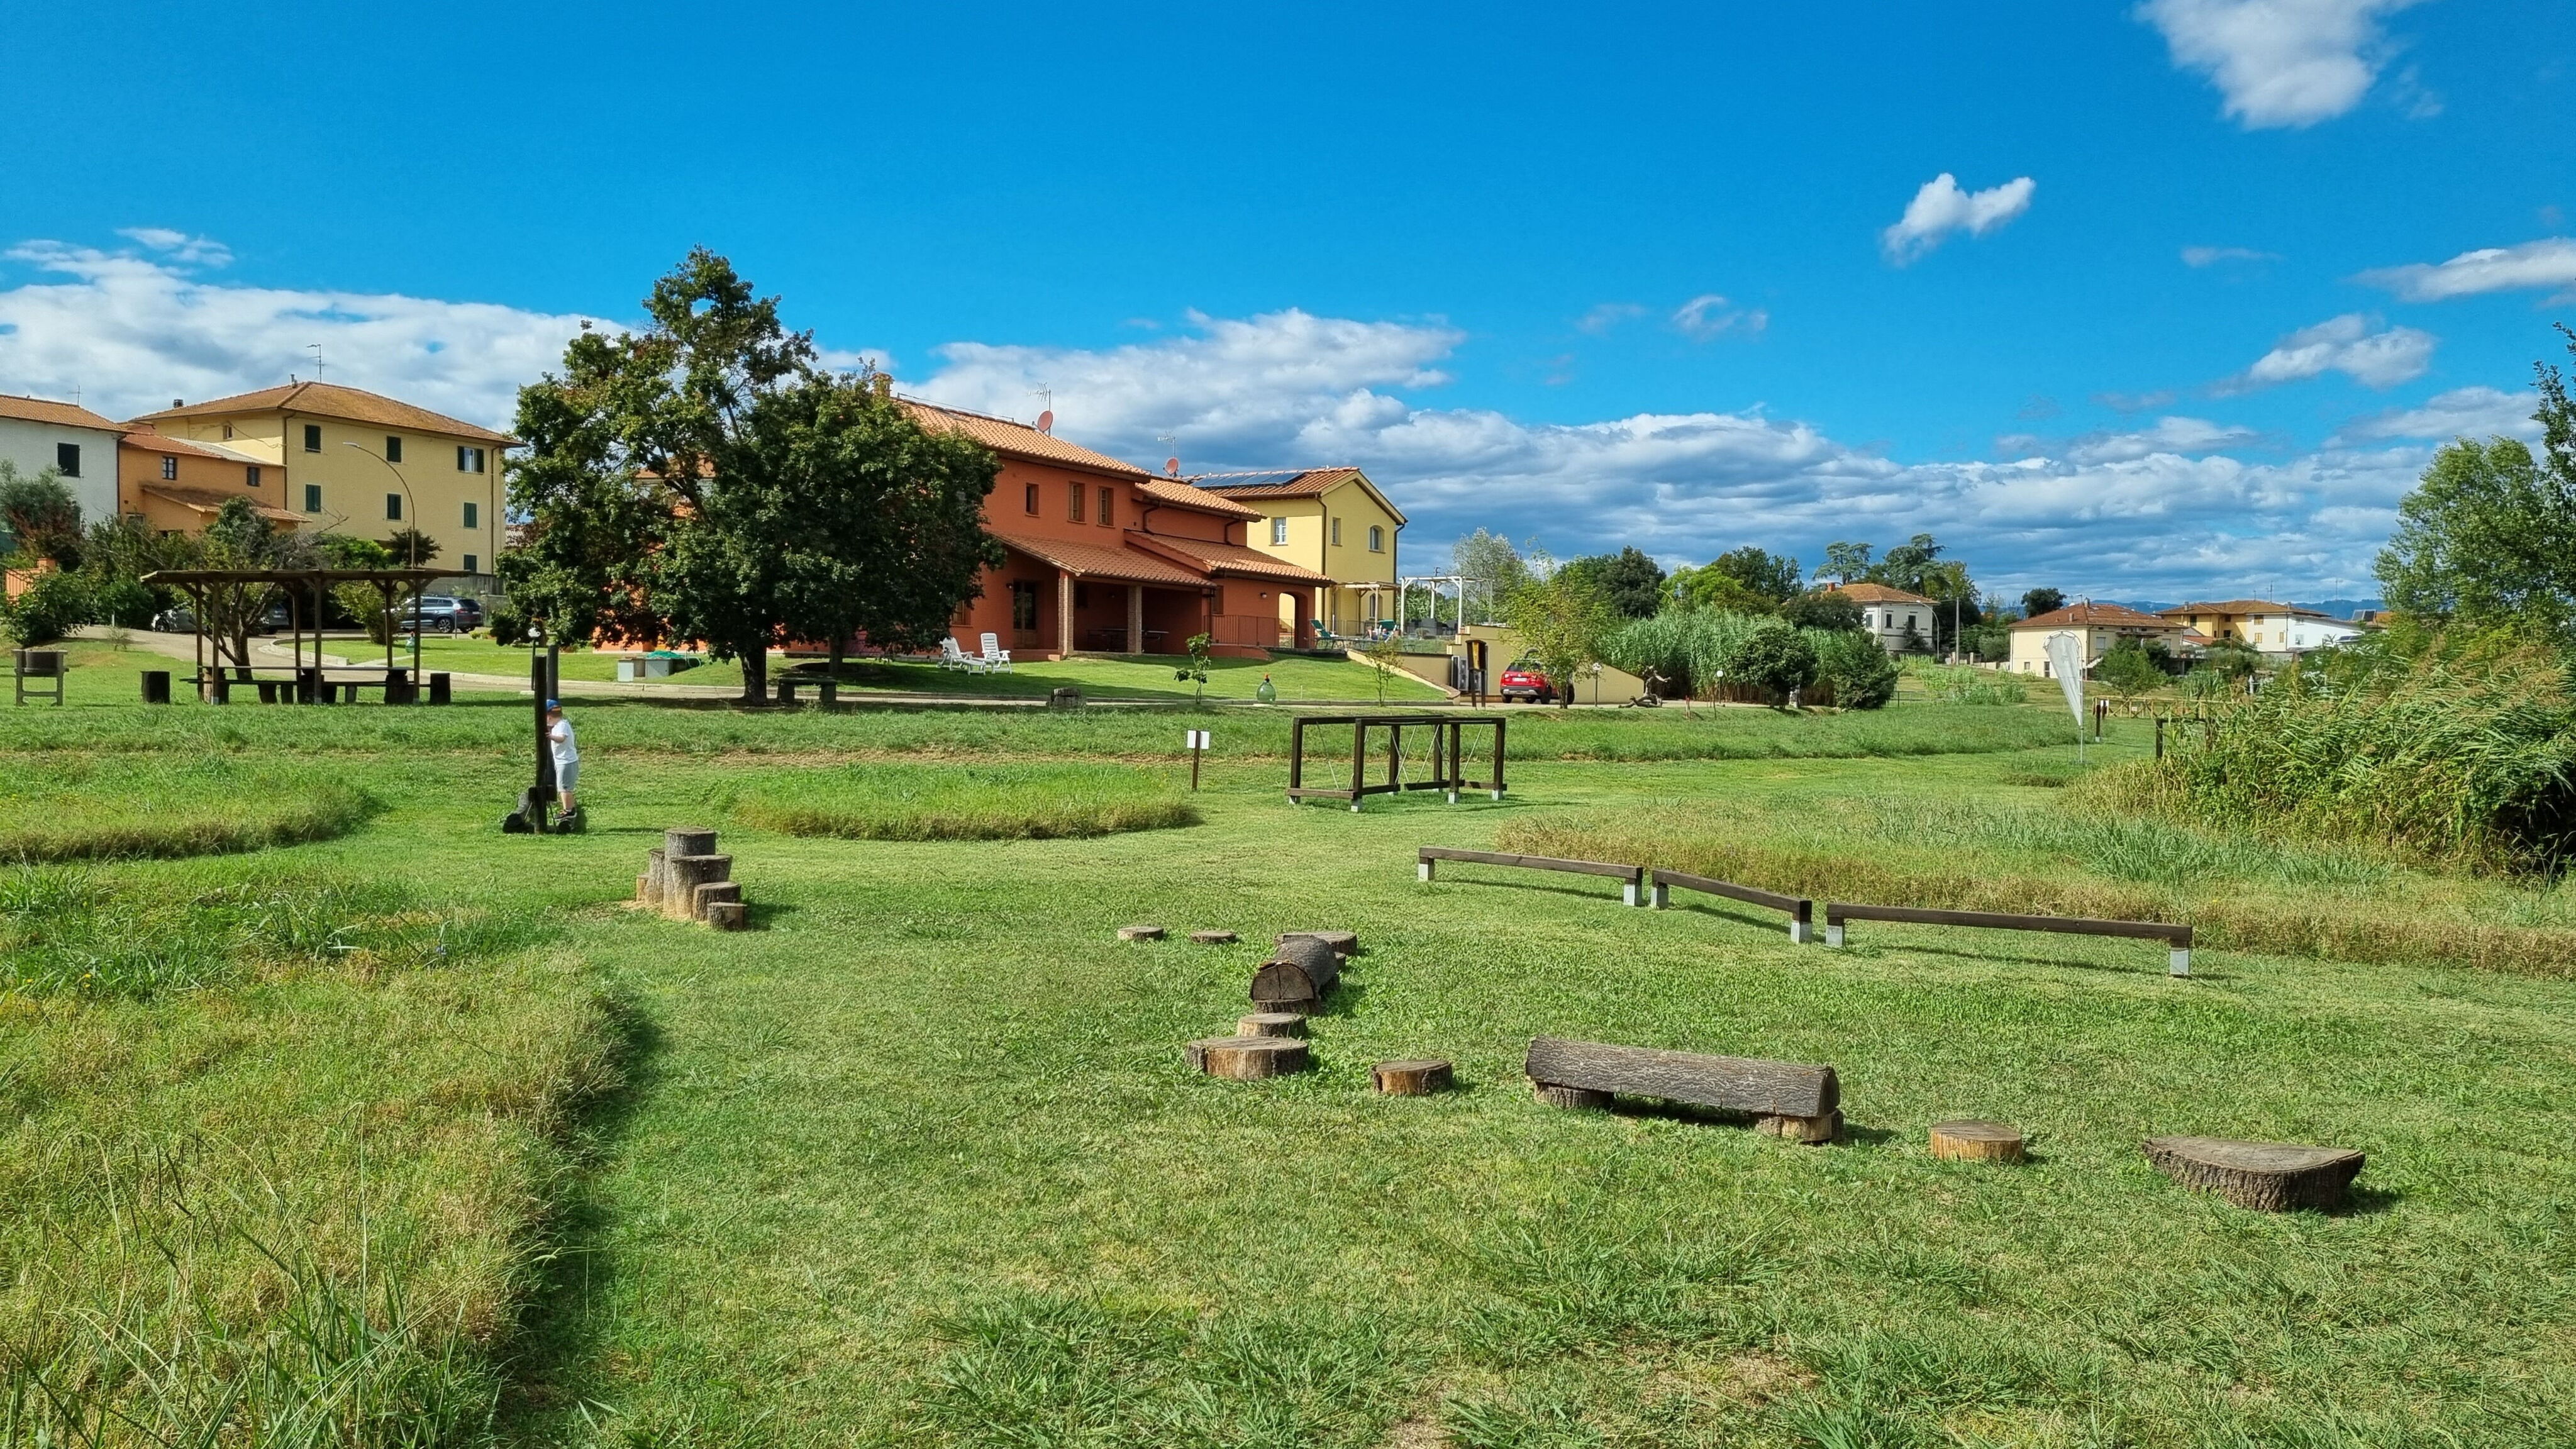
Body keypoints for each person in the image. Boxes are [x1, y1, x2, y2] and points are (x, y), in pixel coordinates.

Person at [546, 700, 580, 819]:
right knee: (565, 788)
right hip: (563, 762)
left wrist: (551, 737)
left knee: (564, 789)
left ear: (549, 716)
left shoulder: (562, 725)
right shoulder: (559, 725)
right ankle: (570, 808)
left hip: (566, 762)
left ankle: (568, 811)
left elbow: (562, 739)